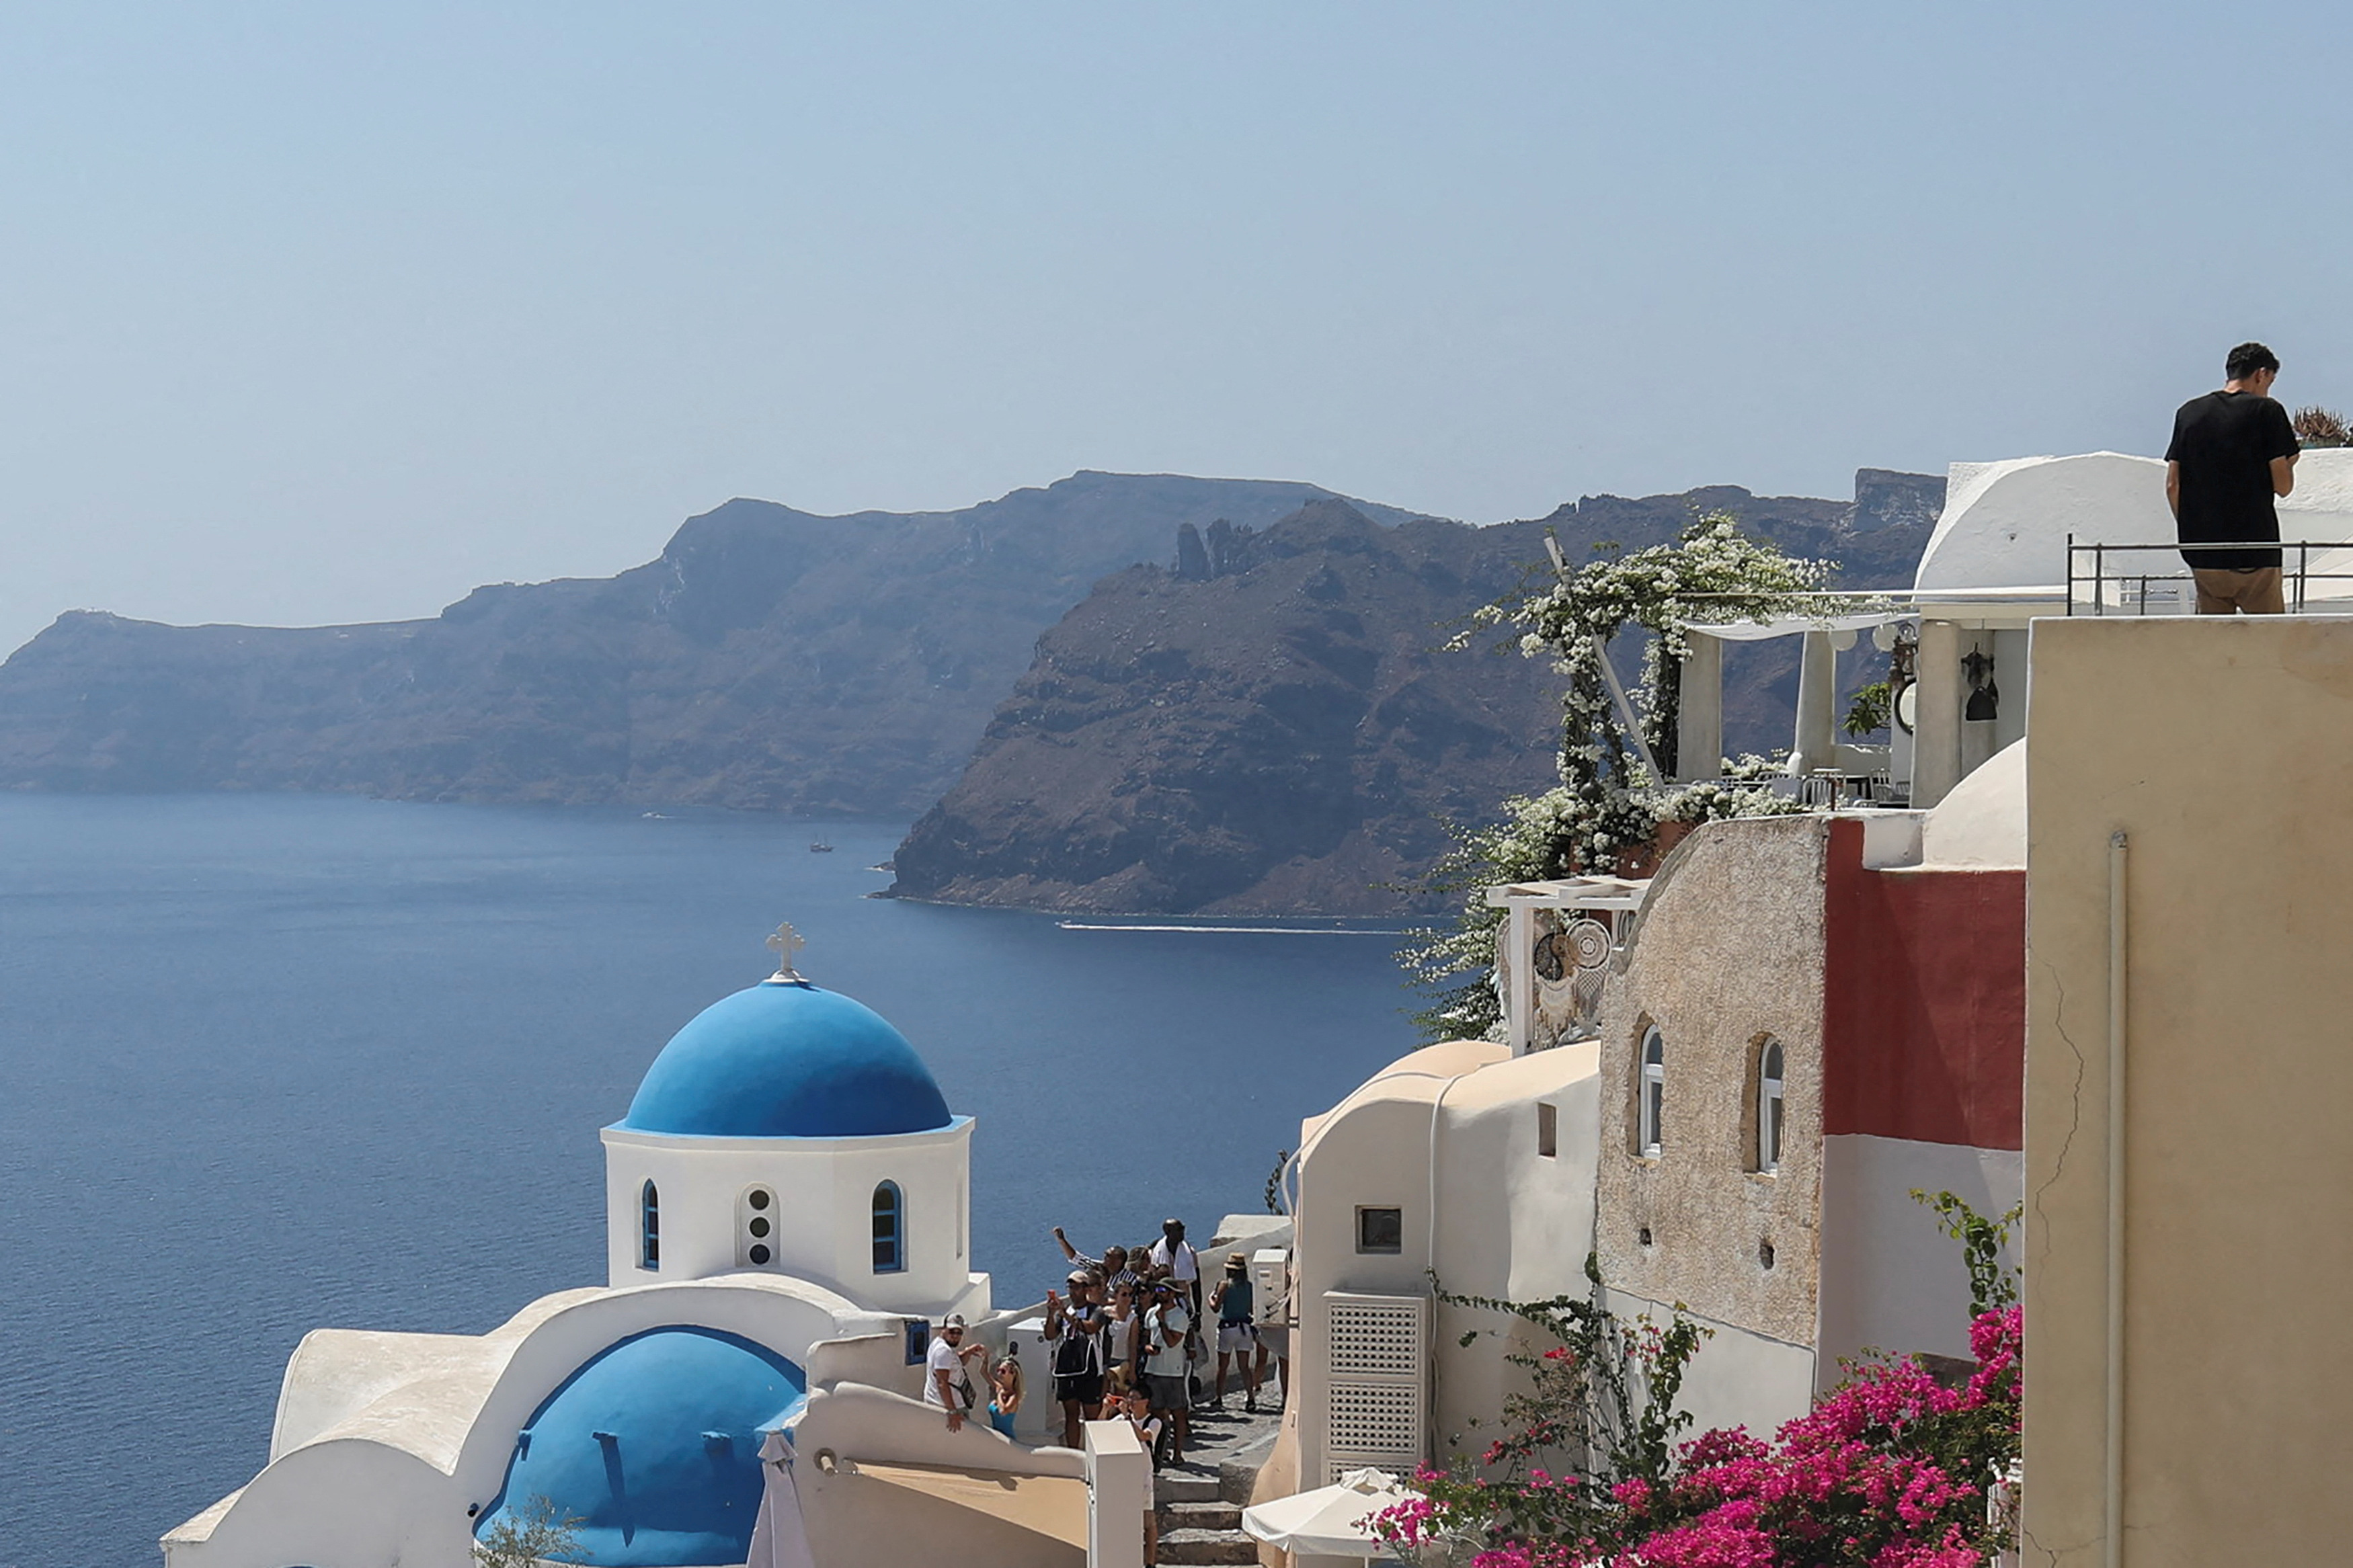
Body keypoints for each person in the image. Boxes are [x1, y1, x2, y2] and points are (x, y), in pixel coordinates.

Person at [2168, 341, 2301, 615]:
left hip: (2205, 552)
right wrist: (2291, 461)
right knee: (2266, 643)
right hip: (2256, 551)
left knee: (2215, 644)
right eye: (2270, 381)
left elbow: (2173, 485)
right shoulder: (2268, 411)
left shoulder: (2188, 413)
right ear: (2261, 374)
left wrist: (2193, 528)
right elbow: (2283, 487)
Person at [1044, 1270, 1107, 1447]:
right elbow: (1050, 1335)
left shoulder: (1097, 1310)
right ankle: (1074, 1453)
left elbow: (1091, 1328)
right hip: (1068, 1368)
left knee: (1091, 1417)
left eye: (1077, 1287)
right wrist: (1051, 1314)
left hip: (1090, 1368)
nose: (1073, 1292)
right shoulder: (1066, 1311)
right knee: (1071, 1415)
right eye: (1070, 1287)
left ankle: (1094, 1452)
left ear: (1086, 1289)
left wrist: (1065, 1315)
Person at [1138, 1275, 1192, 1464]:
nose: (1159, 1294)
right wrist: (1147, 1348)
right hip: (1153, 1370)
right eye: (1158, 1291)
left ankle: (1178, 1453)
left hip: (1173, 1372)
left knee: (1178, 1413)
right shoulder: (1151, 1313)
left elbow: (1172, 1342)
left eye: (1163, 1291)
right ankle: (1161, 1452)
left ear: (1172, 1294)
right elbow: (1145, 1337)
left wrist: (1162, 1323)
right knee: (1157, 1414)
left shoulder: (1180, 1316)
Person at [1207, 1251, 1261, 1413]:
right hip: (1244, 1329)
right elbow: (1252, 1308)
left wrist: (1211, 1297)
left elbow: (1216, 1307)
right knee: (1244, 1367)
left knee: (1222, 1366)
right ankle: (1251, 1398)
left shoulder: (1224, 1285)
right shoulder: (1249, 1287)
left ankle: (1218, 1397)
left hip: (1228, 1328)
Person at [1122, 1386, 1165, 1566]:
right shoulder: (1121, 1419)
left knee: (1148, 1520)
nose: (1130, 1402)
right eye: (1129, 1398)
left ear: (1145, 1401)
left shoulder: (1154, 1422)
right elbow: (1100, 1427)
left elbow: (1143, 1436)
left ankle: (1150, 1561)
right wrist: (1106, 1409)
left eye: (1135, 1398)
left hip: (1143, 1475)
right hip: (1124, 1475)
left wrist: (1127, 1418)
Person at [924, 1314, 988, 1432]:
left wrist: (968, 1352)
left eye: (959, 1333)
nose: (955, 1336)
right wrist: (952, 1411)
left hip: (941, 1402)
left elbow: (953, 1363)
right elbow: (942, 1382)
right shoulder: (943, 1351)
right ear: (944, 1329)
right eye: (952, 1331)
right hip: (949, 1406)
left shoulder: (939, 1344)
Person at [988, 1345, 1025, 1439]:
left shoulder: (1014, 1396)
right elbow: (983, 1373)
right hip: (997, 1438)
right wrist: (985, 1359)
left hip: (1008, 1439)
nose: (999, 1374)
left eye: (1003, 1371)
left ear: (1013, 1374)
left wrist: (999, 1395)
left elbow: (1003, 1411)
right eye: (998, 1370)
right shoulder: (999, 1387)